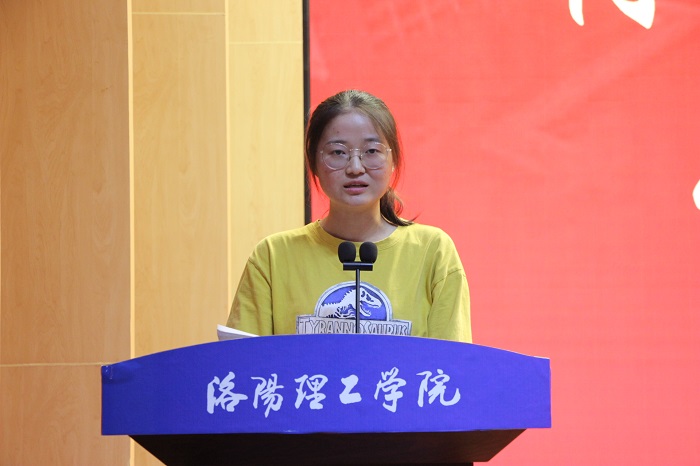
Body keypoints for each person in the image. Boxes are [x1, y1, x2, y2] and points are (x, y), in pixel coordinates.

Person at [227, 90, 471, 342]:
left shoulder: (433, 252)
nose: (355, 168)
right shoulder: (273, 256)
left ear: (393, 161)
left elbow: (452, 362)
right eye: (338, 152)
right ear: (313, 163)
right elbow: (242, 360)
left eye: (372, 151)